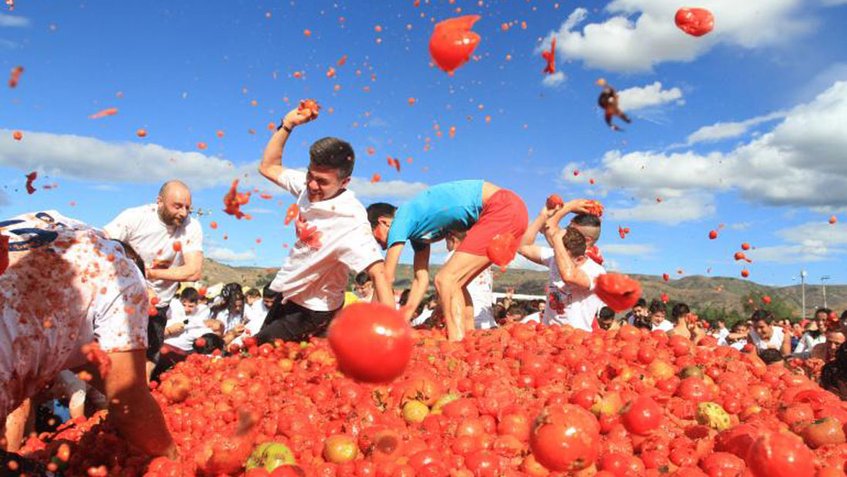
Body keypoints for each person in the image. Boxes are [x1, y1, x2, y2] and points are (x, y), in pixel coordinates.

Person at [1, 211, 176, 458]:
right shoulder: (124, 275)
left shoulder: (50, 222)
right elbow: (130, 405)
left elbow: (95, 368)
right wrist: (173, 461)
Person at [255, 102, 394, 344]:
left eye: (322, 181)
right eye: (310, 175)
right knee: (262, 357)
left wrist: (393, 331)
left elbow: (379, 274)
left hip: (315, 308)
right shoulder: (306, 187)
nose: (312, 185)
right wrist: (288, 125)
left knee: (260, 352)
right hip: (288, 294)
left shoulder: (351, 218)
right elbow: (268, 167)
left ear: (344, 182)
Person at [367, 180, 528, 341]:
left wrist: (376, 324)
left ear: (383, 222)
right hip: (513, 210)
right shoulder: (418, 232)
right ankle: (469, 336)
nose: (381, 246)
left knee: (445, 279)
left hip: (501, 207)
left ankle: (457, 341)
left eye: (375, 237)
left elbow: (385, 276)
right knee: (457, 283)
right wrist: (404, 318)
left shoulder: (401, 218)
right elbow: (420, 279)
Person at [104, 180, 204, 378]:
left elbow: (193, 271)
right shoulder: (135, 217)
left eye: (187, 208)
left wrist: (150, 273)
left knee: (148, 357)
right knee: (113, 354)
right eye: (177, 206)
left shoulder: (191, 227)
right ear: (159, 201)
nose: (183, 213)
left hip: (158, 305)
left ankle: (138, 399)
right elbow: (104, 242)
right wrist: (137, 275)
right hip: (124, 300)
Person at [518, 218, 605, 332]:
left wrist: (557, 240)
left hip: (576, 338)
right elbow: (523, 247)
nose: (557, 259)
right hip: (548, 333)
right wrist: (544, 214)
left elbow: (569, 276)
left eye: (561, 256)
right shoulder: (555, 255)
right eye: (556, 254)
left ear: (579, 259)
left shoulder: (596, 271)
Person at [445, 229, 496, 330]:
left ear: (452, 238)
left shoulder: (453, 256)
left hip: (467, 323)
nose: (446, 247)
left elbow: (446, 288)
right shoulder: (479, 256)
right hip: (489, 322)